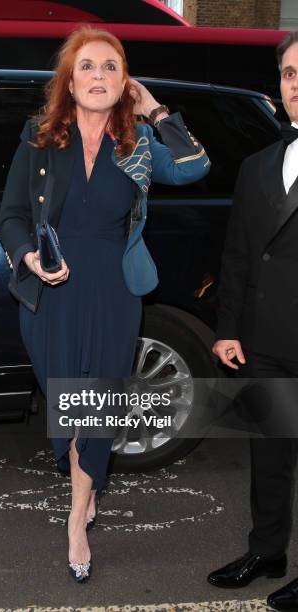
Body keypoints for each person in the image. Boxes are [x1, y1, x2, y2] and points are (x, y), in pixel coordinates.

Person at [0, 25, 210, 583]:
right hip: (51, 292)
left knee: (97, 404)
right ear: (69, 81)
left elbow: (195, 167)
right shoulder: (39, 140)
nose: (98, 77)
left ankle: (76, 517)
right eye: (87, 67)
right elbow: (12, 217)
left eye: (111, 68)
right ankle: (85, 484)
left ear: (125, 84)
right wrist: (29, 258)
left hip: (115, 292)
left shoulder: (137, 144)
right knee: (70, 408)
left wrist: (158, 110)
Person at [208, 31, 298, 611]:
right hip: (264, 340)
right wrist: (227, 328)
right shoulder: (259, 164)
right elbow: (238, 253)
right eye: (291, 74)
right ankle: (267, 551)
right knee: (268, 456)